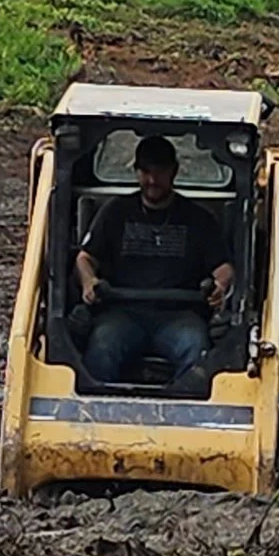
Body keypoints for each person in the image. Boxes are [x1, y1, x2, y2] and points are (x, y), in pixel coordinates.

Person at [76, 128, 234, 392]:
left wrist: (220, 287)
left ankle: (186, 418)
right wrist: (89, 281)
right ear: (136, 171)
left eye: (159, 171)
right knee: (102, 346)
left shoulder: (199, 218)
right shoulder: (115, 212)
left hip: (180, 314)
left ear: (174, 171)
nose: (152, 179)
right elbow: (85, 257)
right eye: (145, 171)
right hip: (122, 312)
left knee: (196, 349)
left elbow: (224, 268)